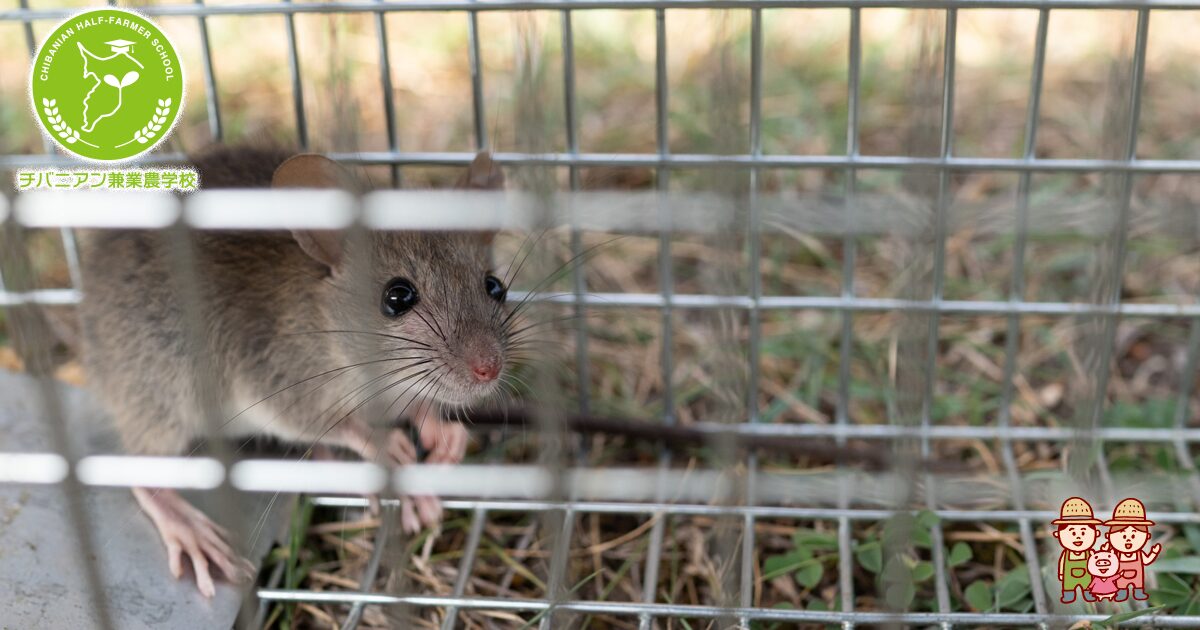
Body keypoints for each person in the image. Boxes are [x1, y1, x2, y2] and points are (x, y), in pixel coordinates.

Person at [1103, 498, 1161, 602]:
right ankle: (1122, 592)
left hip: (1137, 579)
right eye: (1123, 535)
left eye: (1134, 535)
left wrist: (1154, 553)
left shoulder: (1139, 553)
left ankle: (1138, 592)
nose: (1128, 539)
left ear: (1146, 536)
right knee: (1121, 586)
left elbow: (1146, 561)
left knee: (1138, 585)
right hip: (1121, 578)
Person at [1051, 497, 1102, 604]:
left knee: (1087, 585)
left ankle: (1088, 593)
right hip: (1069, 576)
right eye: (1072, 533)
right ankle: (1069, 595)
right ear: (1058, 535)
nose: (1078, 537)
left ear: (1095, 534)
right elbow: (1062, 563)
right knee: (1069, 585)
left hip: (1087, 575)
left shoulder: (1090, 552)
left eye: (1083, 533)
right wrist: (1061, 573)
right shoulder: (1066, 553)